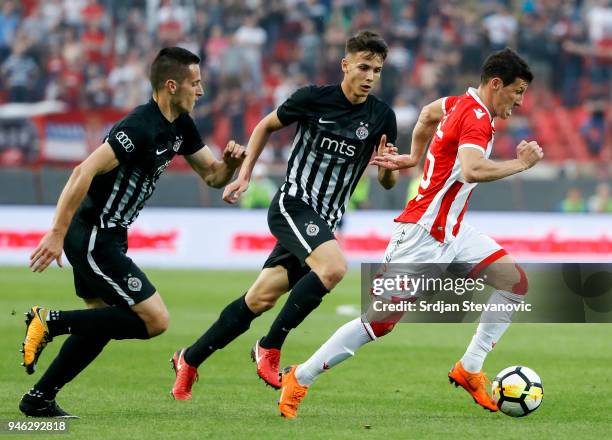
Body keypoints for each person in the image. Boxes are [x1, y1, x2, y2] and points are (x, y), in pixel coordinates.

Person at [277, 48, 543, 418]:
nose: (520, 101)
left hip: (451, 231)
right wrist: (521, 163)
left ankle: (469, 368)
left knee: (514, 283)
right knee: (378, 324)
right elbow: (472, 170)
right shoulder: (477, 119)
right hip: (422, 235)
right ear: (496, 84)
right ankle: (299, 377)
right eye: (518, 91)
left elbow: (426, 115)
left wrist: (415, 157)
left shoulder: (456, 103)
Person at [170, 30, 399, 399]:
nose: (370, 76)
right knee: (335, 268)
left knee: (259, 298)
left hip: (322, 221)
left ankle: (189, 358)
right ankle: (270, 345)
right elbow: (265, 125)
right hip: (293, 204)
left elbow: (388, 182)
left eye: (377, 69)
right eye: (363, 67)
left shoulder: (382, 117)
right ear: (345, 65)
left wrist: (388, 167)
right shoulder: (313, 99)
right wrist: (244, 174)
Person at [19, 47, 246, 418]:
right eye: (196, 83)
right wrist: (56, 233)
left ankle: (39, 397)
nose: (201, 91)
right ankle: (49, 321)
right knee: (155, 320)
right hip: (94, 234)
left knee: (100, 322)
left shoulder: (181, 125)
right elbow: (82, 172)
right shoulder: (138, 126)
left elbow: (212, 175)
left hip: (107, 236)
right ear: (171, 85)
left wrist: (231, 166)